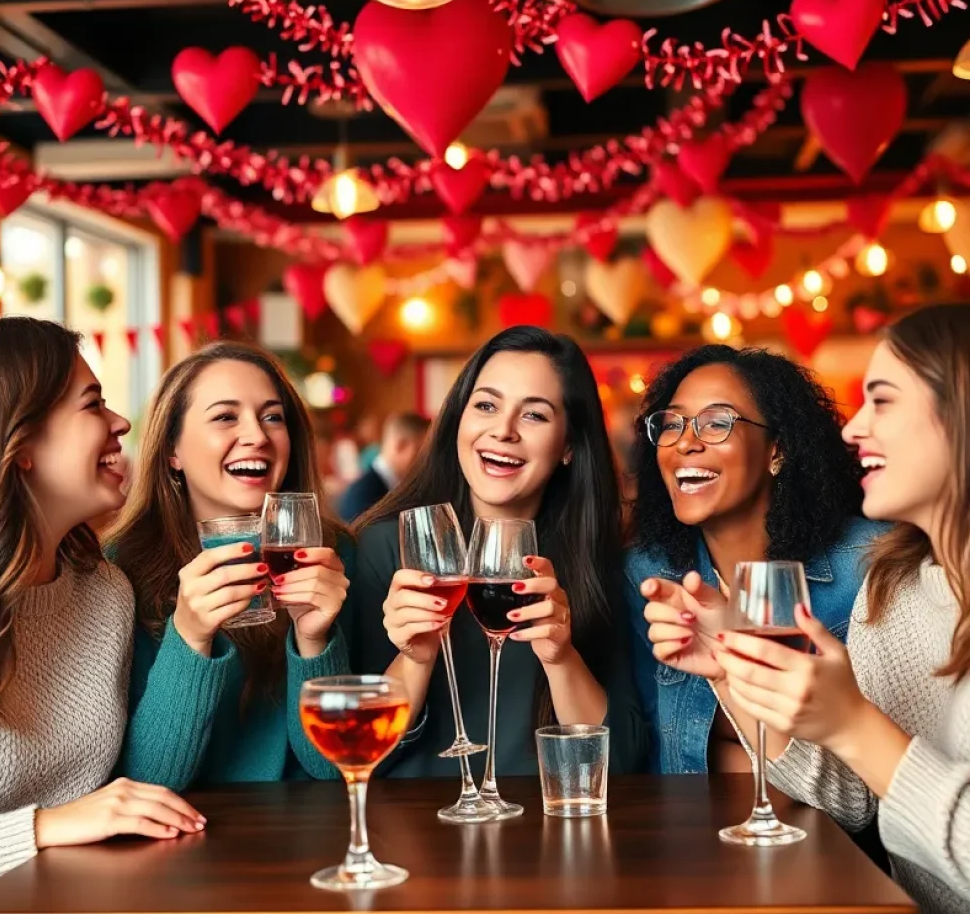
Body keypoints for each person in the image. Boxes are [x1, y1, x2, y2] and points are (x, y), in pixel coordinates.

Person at [704, 306, 970, 914]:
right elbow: (854, 799)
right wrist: (726, 671)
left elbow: (870, 749)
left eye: (881, 401)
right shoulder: (896, 587)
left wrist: (853, 723)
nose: (853, 428)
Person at [0, 317, 200, 904]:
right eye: (93, 405)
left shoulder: (104, 593)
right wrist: (42, 828)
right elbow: (77, 818)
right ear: (20, 443)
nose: (121, 423)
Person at [352, 326, 647, 777]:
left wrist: (560, 657)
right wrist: (415, 658)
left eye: (534, 416)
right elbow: (352, 757)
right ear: (458, 420)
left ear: (569, 445)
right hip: (415, 835)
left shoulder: (598, 562)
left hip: (546, 832)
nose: (503, 431)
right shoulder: (385, 549)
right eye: (486, 406)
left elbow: (619, 765)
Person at [625, 345, 887, 774]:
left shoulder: (870, 564)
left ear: (776, 451)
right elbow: (646, 747)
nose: (686, 442)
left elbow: (880, 767)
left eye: (717, 423)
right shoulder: (645, 575)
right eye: (672, 424)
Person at [107, 341, 352, 791]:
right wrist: (190, 636)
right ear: (171, 451)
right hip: (179, 844)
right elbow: (149, 781)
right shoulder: (118, 572)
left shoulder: (337, 558)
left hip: (310, 835)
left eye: (272, 417)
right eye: (225, 416)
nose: (257, 435)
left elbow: (333, 767)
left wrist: (314, 639)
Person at [338, 412, 430, 522]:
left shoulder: (404, 487)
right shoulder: (362, 494)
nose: (426, 461)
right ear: (400, 445)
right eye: (423, 452)